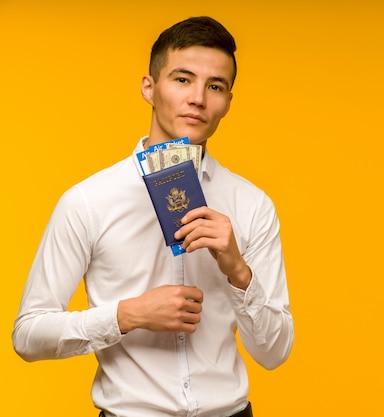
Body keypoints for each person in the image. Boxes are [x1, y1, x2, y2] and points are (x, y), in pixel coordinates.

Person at [12, 16, 294, 417]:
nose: (197, 97)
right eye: (182, 79)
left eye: (215, 86)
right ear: (150, 87)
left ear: (228, 101)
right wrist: (127, 315)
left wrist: (237, 270)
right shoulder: (88, 201)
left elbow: (274, 352)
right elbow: (28, 335)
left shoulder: (252, 204)